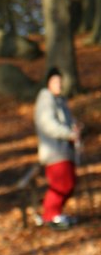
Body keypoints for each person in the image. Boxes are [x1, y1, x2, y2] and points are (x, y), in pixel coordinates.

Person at [34, 66, 83, 229]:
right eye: (55, 81)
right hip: (54, 151)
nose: (59, 85)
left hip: (66, 151)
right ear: (48, 82)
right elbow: (48, 124)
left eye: (60, 81)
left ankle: (54, 212)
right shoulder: (46, 99)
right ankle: (50, 214)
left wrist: (75, 128)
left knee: (70, 183)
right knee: (62, 184)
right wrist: (68, 133)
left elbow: (68, 122)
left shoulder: (60, 101)